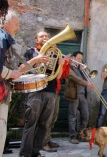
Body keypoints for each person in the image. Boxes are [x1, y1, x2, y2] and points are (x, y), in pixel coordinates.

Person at [20, 30, 62, 157]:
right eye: (41, 36)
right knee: (31, 123)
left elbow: (58, 76)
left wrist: (61, 65)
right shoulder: (31, 52)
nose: (44, 37)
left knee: (44, 124)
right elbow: (21, 69)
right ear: (36, 40)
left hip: (50, 92)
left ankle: (35, 152)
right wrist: (35, 59)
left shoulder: (54, 53)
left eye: (46, 36)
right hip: (35, 91)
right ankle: (25, 153)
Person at [0, 11, 30, 155]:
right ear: (6, 23)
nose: (18, 28)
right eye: (16, 24)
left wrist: (14, 73)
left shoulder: (5, 40)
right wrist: (11, 73)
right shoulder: (2, 38)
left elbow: (14, 70)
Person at [64, 51, 95, 144]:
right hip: (74, 94)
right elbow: (75, 79)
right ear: (73, 58)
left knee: (85, 115)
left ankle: (80, 134)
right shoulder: (69, 67)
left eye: (81, 59)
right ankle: (72, 136)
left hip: (82, 94)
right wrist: (87, 84)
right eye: (78, 59)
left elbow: (85, 79)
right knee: (72, 116)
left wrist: (83, 70)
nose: (80, 60)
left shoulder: (80, 69)